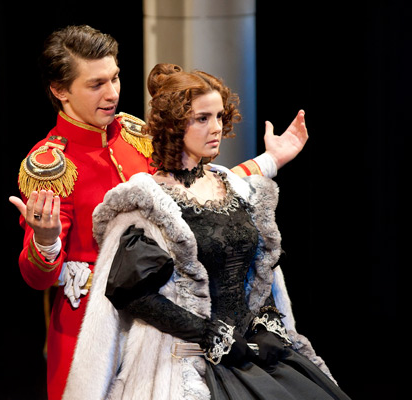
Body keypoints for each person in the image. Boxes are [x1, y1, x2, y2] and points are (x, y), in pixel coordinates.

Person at [9, 25, 308, 400]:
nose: (112, 93)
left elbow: (197, 192)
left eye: (115, 77)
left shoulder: (137, 134)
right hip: (93, 327)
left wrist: (269, 161)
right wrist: (46, 240)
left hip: (164, 320)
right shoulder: (51, 165)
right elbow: (38, 279)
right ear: (60, 90)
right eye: (96, 84)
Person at [62, 63, 351, 400]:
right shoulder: (147, 202)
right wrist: (208, 332)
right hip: (186, 360)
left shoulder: (234, 187)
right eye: (202, 118)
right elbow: (133, 295)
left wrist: (268, 322)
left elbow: (260, 269)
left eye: (219, 116)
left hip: (252, 353)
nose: (216, 128)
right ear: (173, 126)